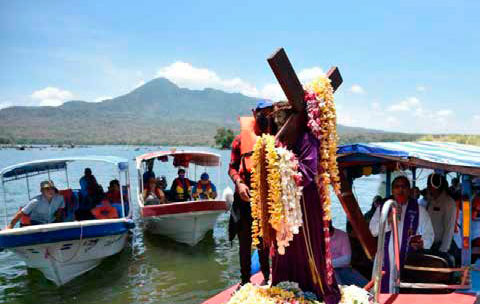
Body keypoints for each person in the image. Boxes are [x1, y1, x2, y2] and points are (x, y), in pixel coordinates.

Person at [271, 128, 341, 304]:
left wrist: (282, 158)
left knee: (307, 249)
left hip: (306, 205)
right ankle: (283, 288)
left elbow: (307, 172)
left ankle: (312, 290)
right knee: (284, 247)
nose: (278, 120)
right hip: (285, 205)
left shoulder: (308, 138)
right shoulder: (279, 140)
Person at [228, 100, 273, 286]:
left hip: (268, 201)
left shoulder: (278, 139)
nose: (267, 117)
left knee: (266, 243)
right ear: (255, 113)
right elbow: (231, 168)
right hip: (245, 198)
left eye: (271, 113)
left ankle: (268, 278)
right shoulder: (240, 140)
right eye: (263, 113)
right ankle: (245, 281)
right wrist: (239, 183)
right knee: (245, 244)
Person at [369, 176, 434, 293]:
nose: (400, 190)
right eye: (397, 187)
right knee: (381, 292)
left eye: (404, 186)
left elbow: (429, 235)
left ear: (409, 190)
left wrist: (421, 243)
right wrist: (388, 220)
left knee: (405, 293)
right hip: (384, 258)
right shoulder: (383, 208)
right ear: (392, 190)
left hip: (408, 259)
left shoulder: (419, 210)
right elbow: (373, 231)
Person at [329, 222, 369, 287]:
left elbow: (346, 259)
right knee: (336, 284)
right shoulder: (316, 238)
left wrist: (328, 264)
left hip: (344, 268)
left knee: (366, 285)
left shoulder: (342, 235)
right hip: (329, 272)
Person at [426, 173, 457, 254]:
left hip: (441, 246)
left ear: (435, 186)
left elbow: (449, 229)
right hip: (429, 244)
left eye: (429, 184)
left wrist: (443, 251)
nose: (427, 187)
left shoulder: (449, 203)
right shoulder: (431, 201)